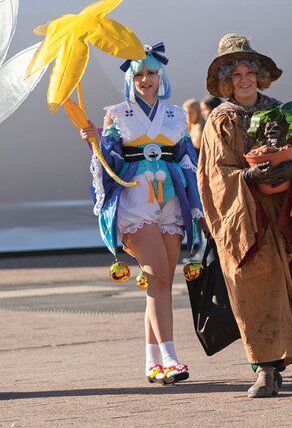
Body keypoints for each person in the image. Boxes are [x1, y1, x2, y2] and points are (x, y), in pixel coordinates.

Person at [196, 33, 292, 398]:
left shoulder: (282, 113)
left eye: (249, 71)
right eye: (236, 73)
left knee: (286, 285)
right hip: (246, 217)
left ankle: (277, 362)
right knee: (253, 289)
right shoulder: (219, 121)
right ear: (226, 79)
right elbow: (214, 175)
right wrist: (247, 176)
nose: (244, 79)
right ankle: (264, 369)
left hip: (285, 214)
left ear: (259, 74)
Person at [80, 42, 208, 385]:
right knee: (158, 274)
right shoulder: (116, 114)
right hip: (136, 203)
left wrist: (195, 200)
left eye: (151, 72)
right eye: (139, 74)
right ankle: (170, 356)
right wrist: (96, 141)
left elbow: (185, 157)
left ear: (160, 75)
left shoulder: (177, 115)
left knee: (163, 280)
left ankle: (153, 362)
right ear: (130, 78)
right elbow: (108, 161)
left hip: (171, 202)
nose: (146, 79)